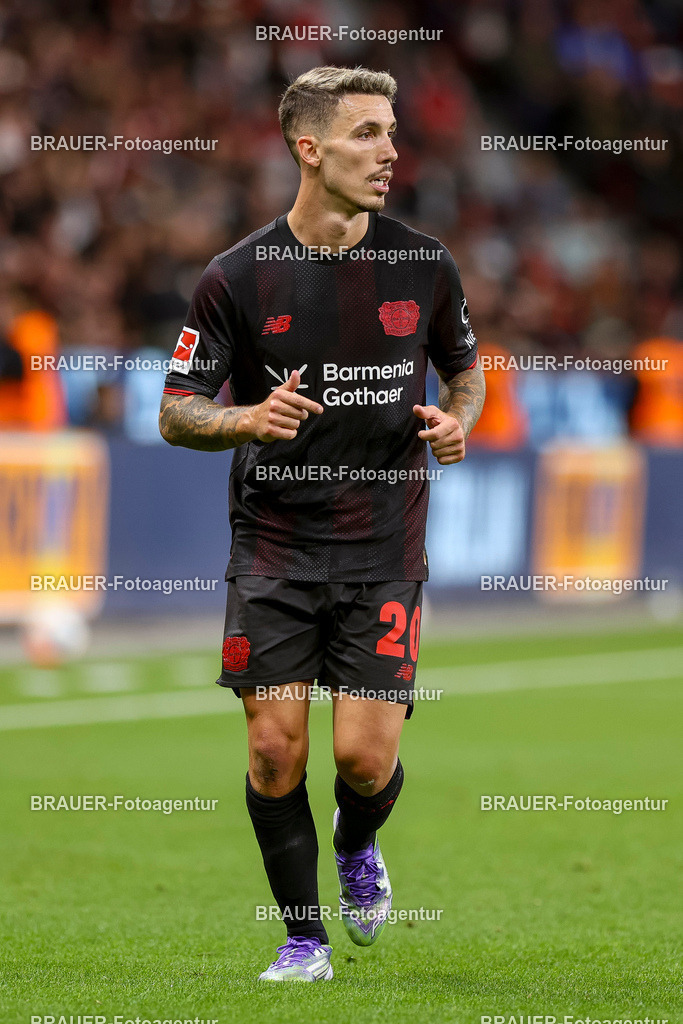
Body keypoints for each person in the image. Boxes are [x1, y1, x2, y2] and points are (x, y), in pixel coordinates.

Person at [159, 65, 485, 983]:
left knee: (364, 761)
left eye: (391, 132)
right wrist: (244, 418)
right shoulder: (237, 276)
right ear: (310, 148)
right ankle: (302, 940)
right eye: (367, 134)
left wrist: (460, 415)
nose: (390, 152)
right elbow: (176, 409)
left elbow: (465, 366)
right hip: (274, 544)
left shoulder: (423, 262)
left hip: (384, 542)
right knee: (272, 752)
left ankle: (358, 840)